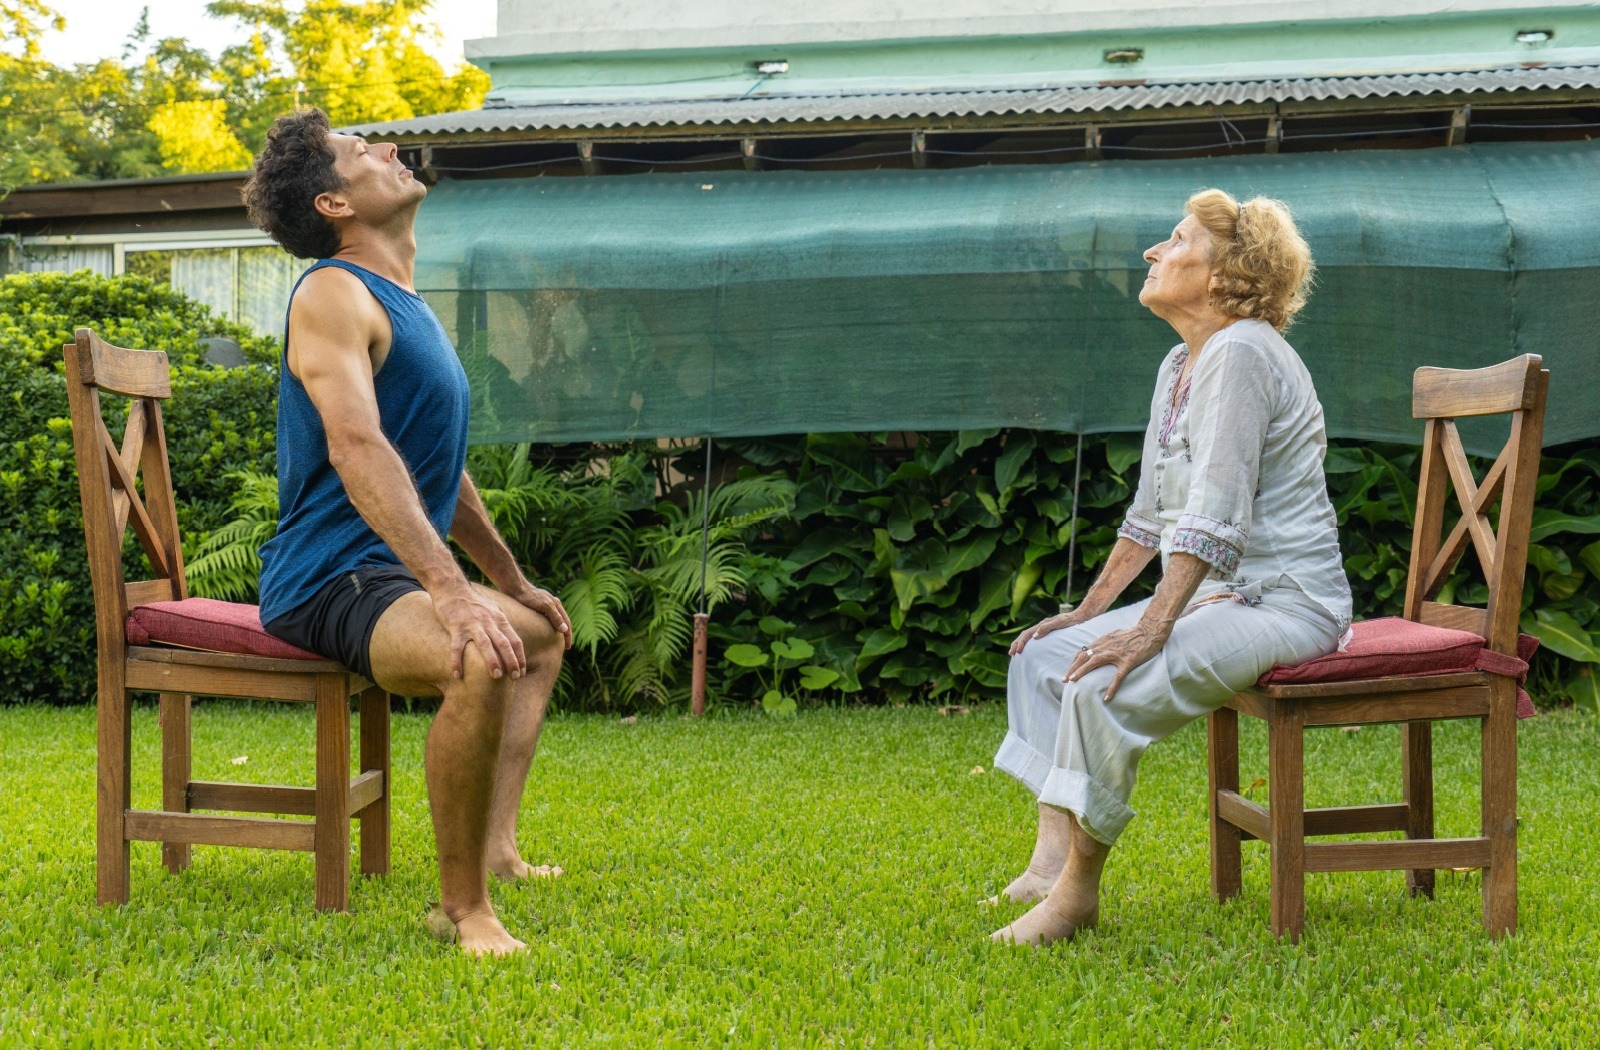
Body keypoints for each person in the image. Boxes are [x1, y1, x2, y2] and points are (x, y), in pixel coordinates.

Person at [243, 108, 573, 957]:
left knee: (535, 634)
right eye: (362, 153)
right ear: (333, 204)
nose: (390, 151)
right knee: (479, 651)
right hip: (330, 574)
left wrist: (506, 578)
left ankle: (496, 851)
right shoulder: (330, 294)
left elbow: (435, 471)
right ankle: (462, 910)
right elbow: (357, 447)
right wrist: (454, 596)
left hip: (387, 571)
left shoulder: (402, 304)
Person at [988, 189, 1352, 946]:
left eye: (1176, 238)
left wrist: (1149, 631)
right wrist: (1091, 613)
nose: (1154, 252)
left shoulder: (1244, 352)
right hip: (1222, 598)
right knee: (1046, 656)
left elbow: (1217, 514)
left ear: (1224, 272)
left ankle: (1077, 898)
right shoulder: (1180, 364)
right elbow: (1155, 515)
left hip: (1287, 603)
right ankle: (1049, 862)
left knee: (1100, 682)